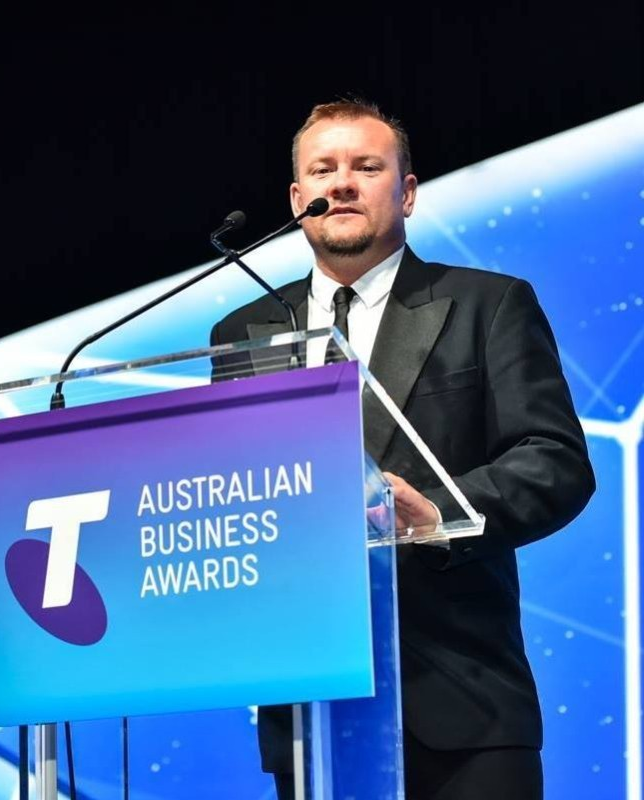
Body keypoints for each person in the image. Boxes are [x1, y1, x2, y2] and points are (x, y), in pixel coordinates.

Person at [209, 100, 595, 800]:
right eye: (324, 170)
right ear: (299, 200)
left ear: (407, 192)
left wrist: (436, 513)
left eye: (367, 166)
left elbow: (555, 461)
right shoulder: (244, 333)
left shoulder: (487, 305)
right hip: (313, 709)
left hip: (464, 707)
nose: (344, 182)